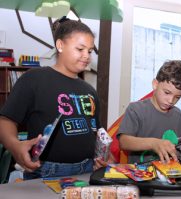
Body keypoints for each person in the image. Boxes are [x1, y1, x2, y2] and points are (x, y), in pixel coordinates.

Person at [0, 17, 107, 180]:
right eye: (80, 49)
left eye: (90, 51)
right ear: (60, 45)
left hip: (87, 169)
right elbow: (5, 121)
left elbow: (96, 132)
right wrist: (15, 146)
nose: (86, 56)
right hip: (47, 172)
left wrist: (102, 156)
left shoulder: (89, 90)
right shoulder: (34, 79)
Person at [118, 60, 181, 164]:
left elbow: (176, 150)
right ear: (155, 84)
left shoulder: (178, 116)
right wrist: (153, 143)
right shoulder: (136, 109)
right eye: (167, 93)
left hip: (168, 177)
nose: (170, 101)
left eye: (177, 97)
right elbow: (123, 142)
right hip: (139, 176)